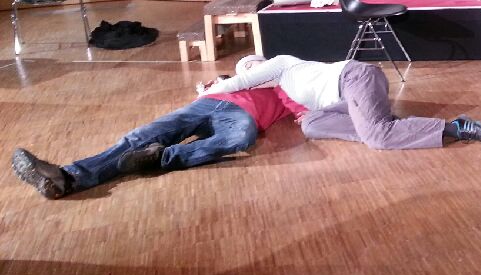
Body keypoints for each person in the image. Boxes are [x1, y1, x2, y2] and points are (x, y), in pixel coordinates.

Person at [12, 60, 304, 200]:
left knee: (240, 137)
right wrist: (228, 77)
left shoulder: (292, 89)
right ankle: (67, 178)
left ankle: (159, 158)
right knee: (142, 135)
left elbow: (311, 112)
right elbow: (245, 64)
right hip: (206, 104)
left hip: (242, 117)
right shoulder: (243, 74)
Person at [202, 54, 481, 150]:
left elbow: (239, 83)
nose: (251, 75)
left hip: (355, 78)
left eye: (250, 68)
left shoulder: (282, 63)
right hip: (347, 97)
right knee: (311, 124)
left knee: (378, 138)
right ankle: (382, 125)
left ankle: (454, 127)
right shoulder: (284, 87)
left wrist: (207, 92)